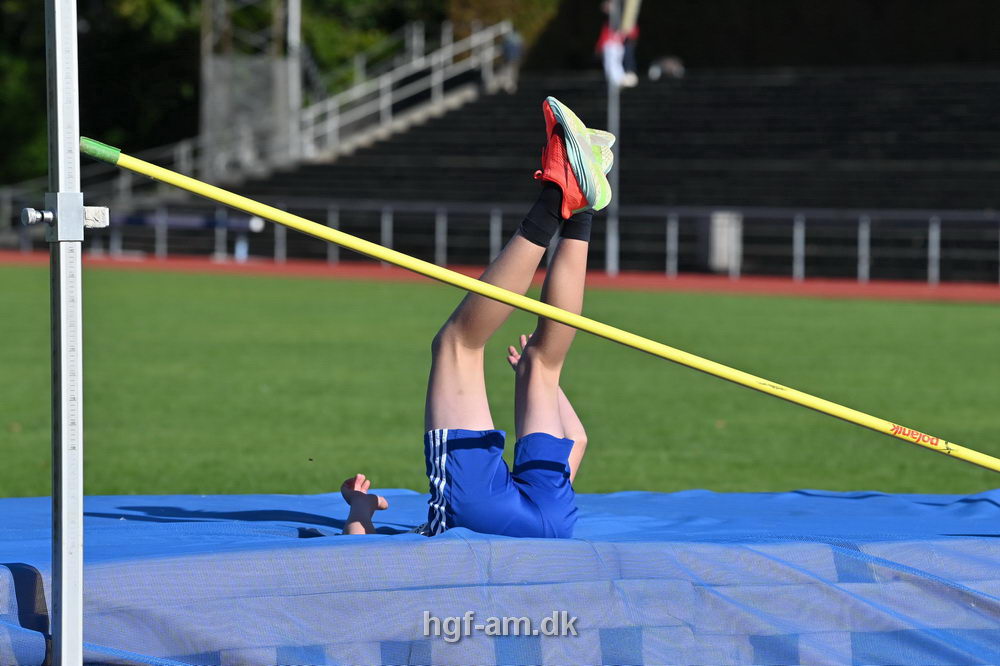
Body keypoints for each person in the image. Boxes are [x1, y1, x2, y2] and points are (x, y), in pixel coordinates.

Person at [337, 97, 615, 539]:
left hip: (555, 522)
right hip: (481, 517)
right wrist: (359, 511)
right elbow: (358, 552)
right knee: (457, 346)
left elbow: (577, 441)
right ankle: (558, 191)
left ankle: (584, 212)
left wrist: (538, 379)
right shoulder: (435, 544)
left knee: (544, 365)